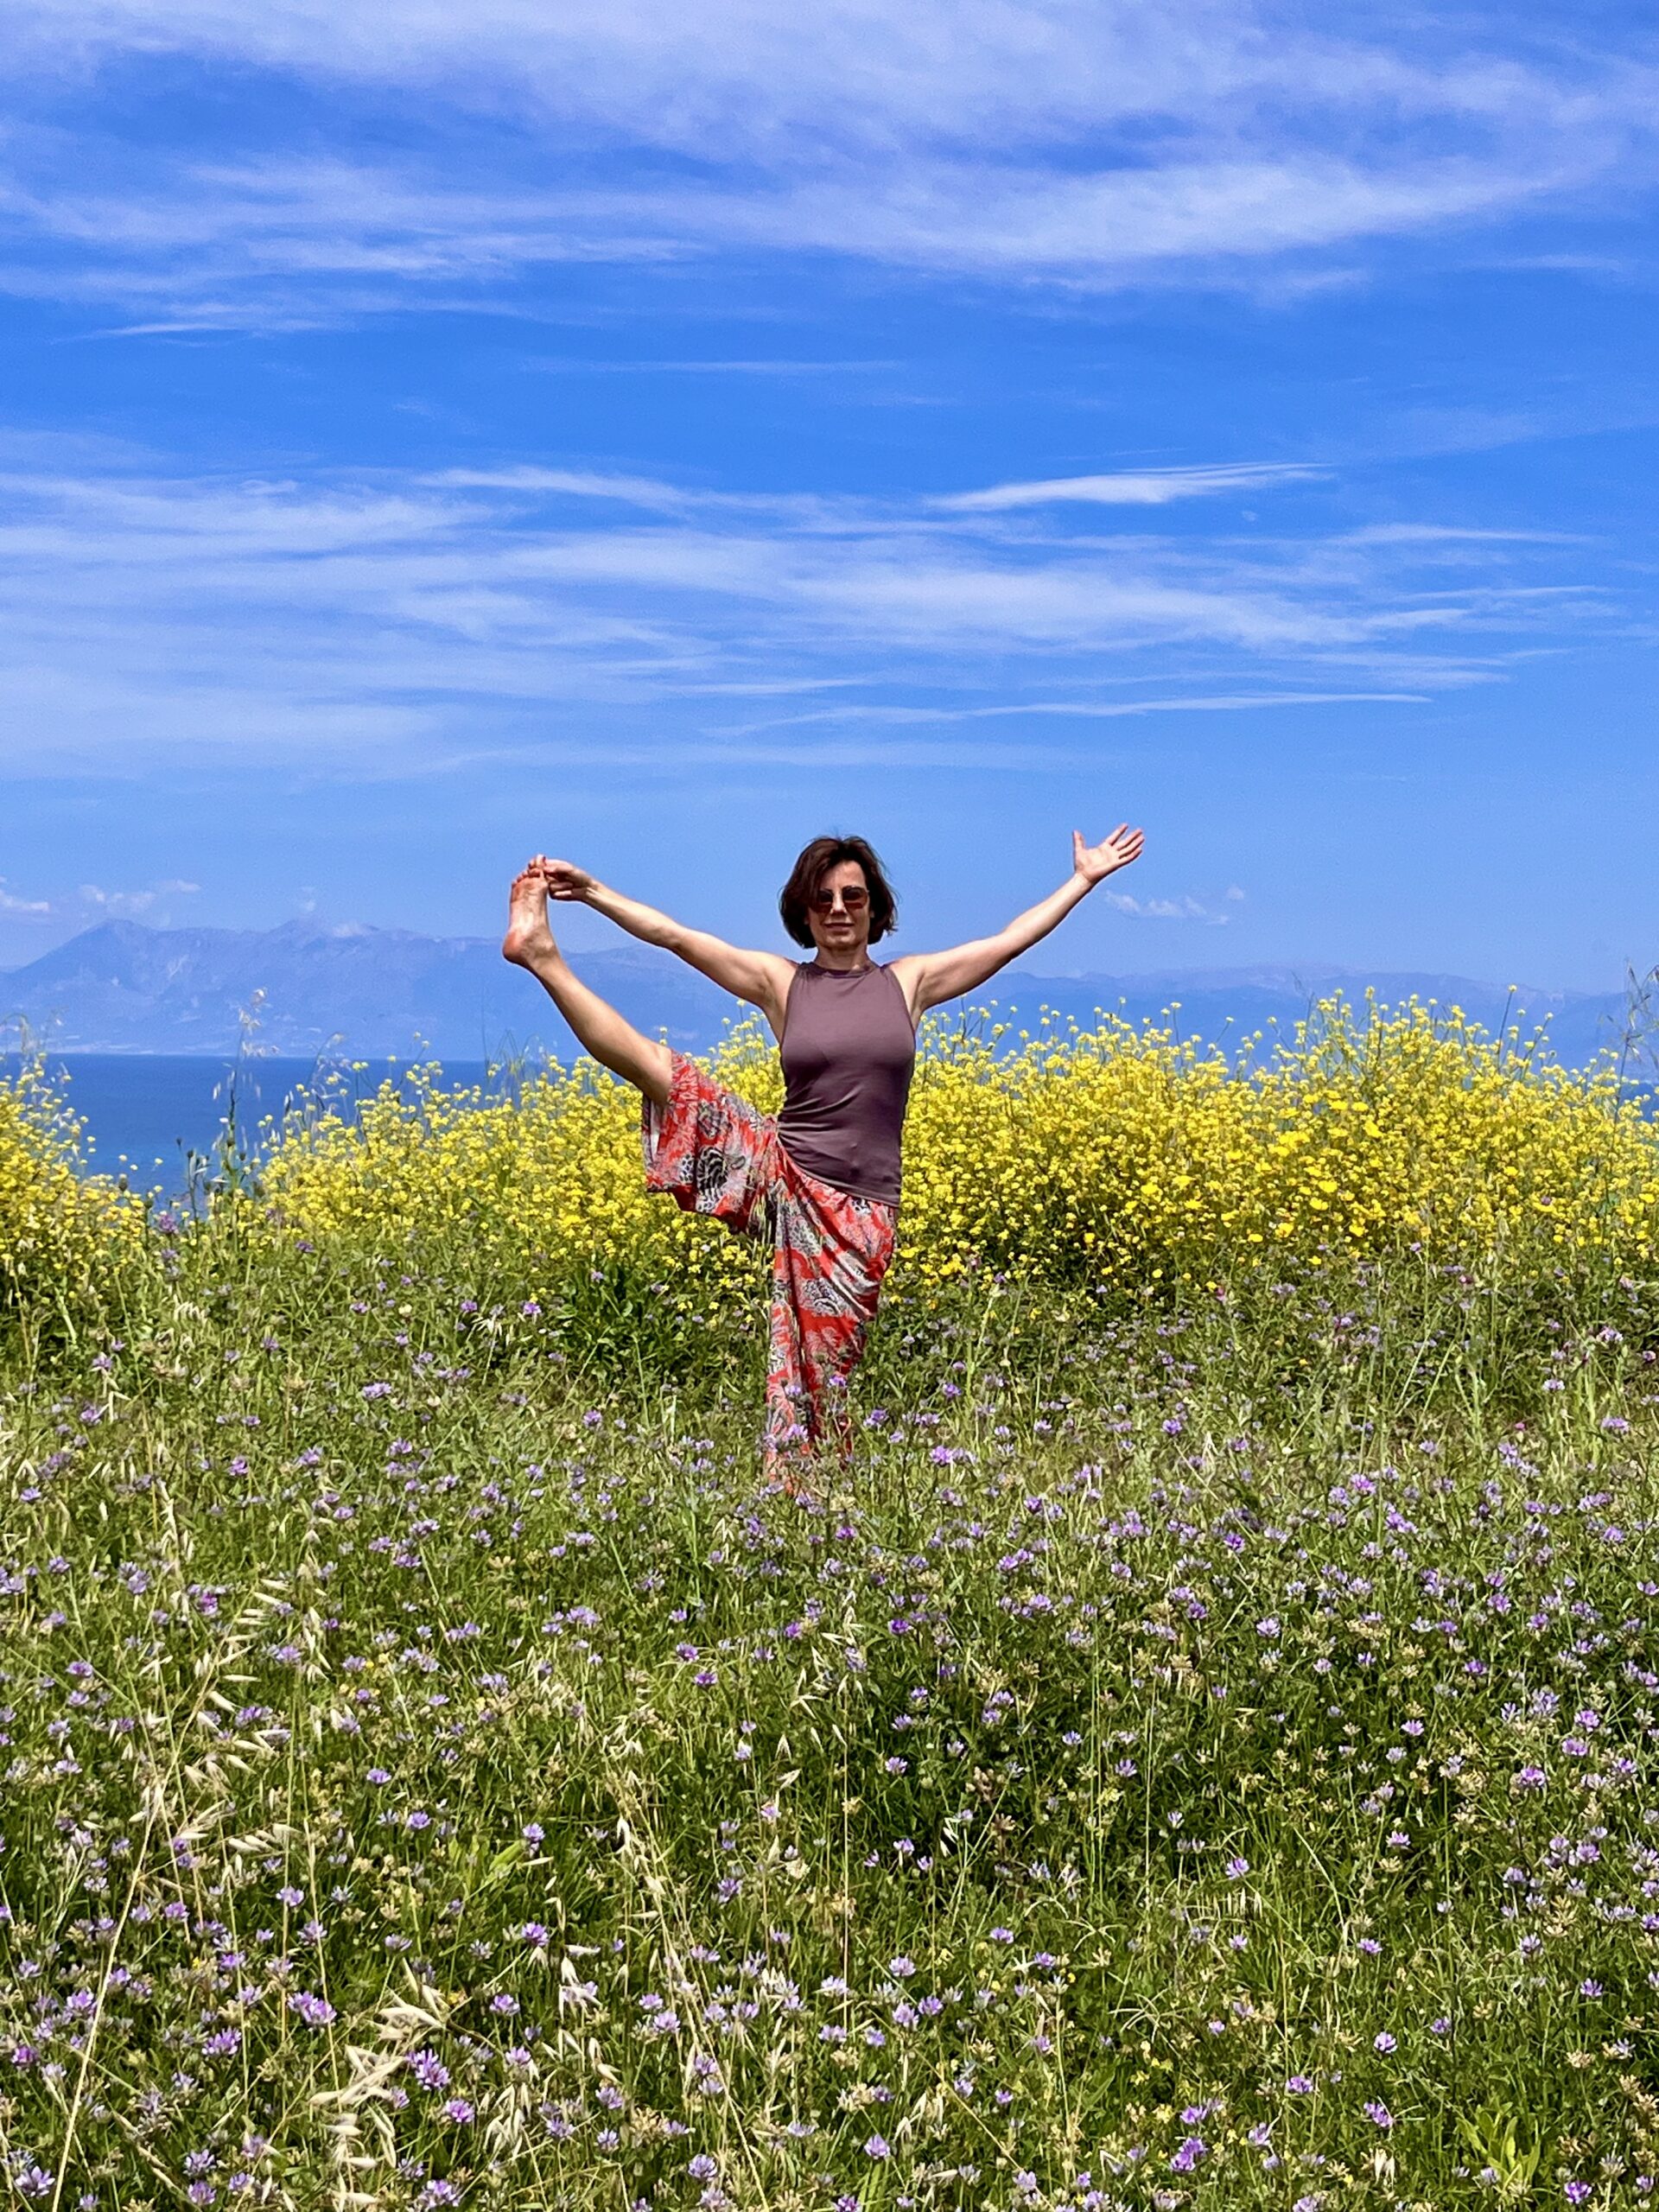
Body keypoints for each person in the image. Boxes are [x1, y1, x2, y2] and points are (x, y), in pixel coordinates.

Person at [502, 825, 1144, 1479]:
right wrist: (595, 893)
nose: (839, 909)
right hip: (784, 1172)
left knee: (826, 1366)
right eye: (825, 898)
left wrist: (1083, 880)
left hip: (864, 1212)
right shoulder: (782, 984)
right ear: (805, 912)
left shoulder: (909, 983)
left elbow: (1009, 941)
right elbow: (675, 936)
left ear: (876, 908)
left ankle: (809, 1491)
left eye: (854, 897)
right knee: (664, 1073)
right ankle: (542, 955)